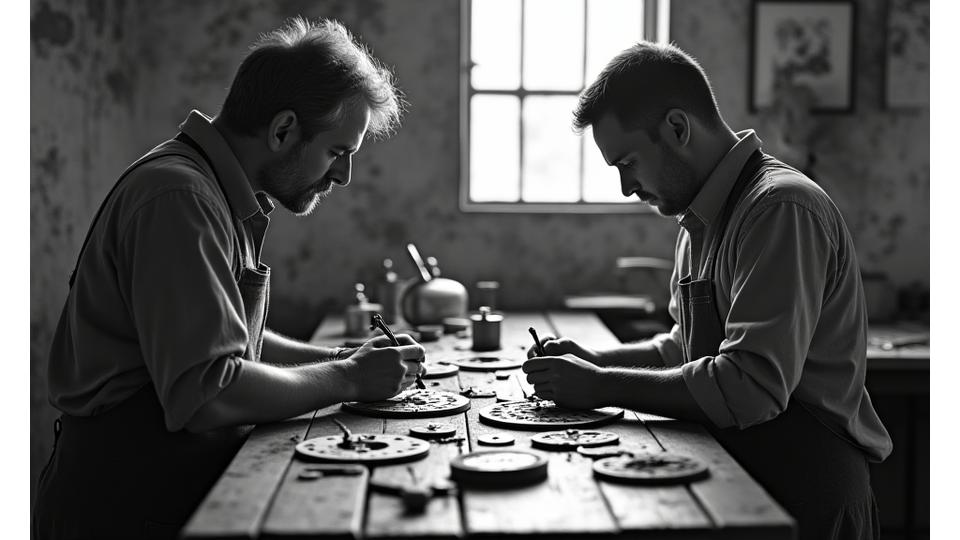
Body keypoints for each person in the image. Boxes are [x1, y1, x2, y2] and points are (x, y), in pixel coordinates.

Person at [34, 17, 424, 539]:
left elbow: (236, 345)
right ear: (283, 129)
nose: (343, 176)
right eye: (337, 152)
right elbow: (207, 392)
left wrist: (342, 361)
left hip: (161, 482)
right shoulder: (181, 198)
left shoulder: (213, 190)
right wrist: (350, 380)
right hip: (124, 499)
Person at [523, 41, 891, 540]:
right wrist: (597, 360)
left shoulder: (781, 210)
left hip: (809, 493)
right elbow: (685, 348)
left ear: (677, 128)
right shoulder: (700, 219)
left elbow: (750, 386)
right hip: (742, 479)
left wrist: (599, 385)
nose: (626, 188)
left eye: (627, 163)